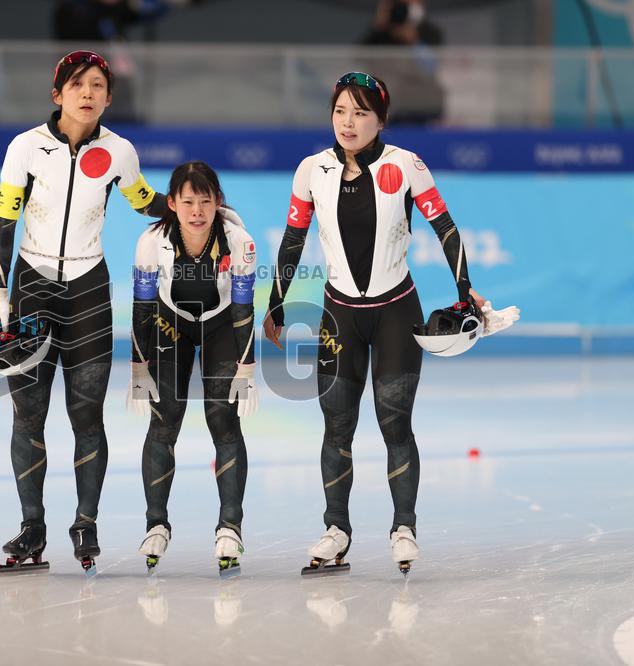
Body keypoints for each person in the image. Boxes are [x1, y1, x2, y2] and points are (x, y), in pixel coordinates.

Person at [264, 72, 516, 577]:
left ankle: (404, 527)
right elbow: (294, 240)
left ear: (381, 119)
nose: (348, 122)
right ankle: (336, 530)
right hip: (339, 315)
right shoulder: (310, 170)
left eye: (360, 112)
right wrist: (276, 302)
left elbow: (444, 227)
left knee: (394, 424)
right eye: (340, 111)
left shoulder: (405, 166)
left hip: (396, 312)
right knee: (337, 427)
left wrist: (466, 287)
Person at [0, 50, 167, 576]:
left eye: (97, 86)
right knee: (29, 415)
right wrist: (1, 302)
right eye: (77, 84)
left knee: (87, 417)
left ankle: (85, 522)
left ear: (110, 98)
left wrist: (190, 201)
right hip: (31, 290)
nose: (87, 93)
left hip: (88, 290)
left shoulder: (119, 152)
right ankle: (32, 526)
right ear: (56, 93)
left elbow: (143, 201)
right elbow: (3, 227)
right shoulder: (25, 148)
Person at [127, 161, 258, 577]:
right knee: (164, 423)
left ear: (218, 203)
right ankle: (156, 524)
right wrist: (138, 365)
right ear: (172, 204)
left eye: (205, 202)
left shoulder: (239, 241)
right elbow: (143, 307)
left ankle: (230, 527)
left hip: (221, 325)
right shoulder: (151, 241)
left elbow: (243, 308)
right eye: (188, 202)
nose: (197, 211)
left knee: (224, 421)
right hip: (171, 325)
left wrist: (247, 365)